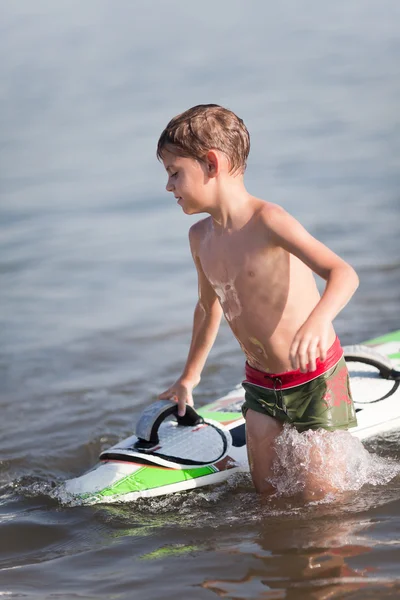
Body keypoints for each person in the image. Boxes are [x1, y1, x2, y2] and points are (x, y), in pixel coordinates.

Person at [156, 104, 359, 495]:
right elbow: (207, 306)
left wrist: (318, 321)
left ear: (211, 164)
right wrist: (189, 377)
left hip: (316, 380)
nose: (169, 187)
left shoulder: (268, 221)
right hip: (261, 387)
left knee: (326, 505)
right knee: (269, 499)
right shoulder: (200, 238)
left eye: (174, 173)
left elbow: (343, 274)